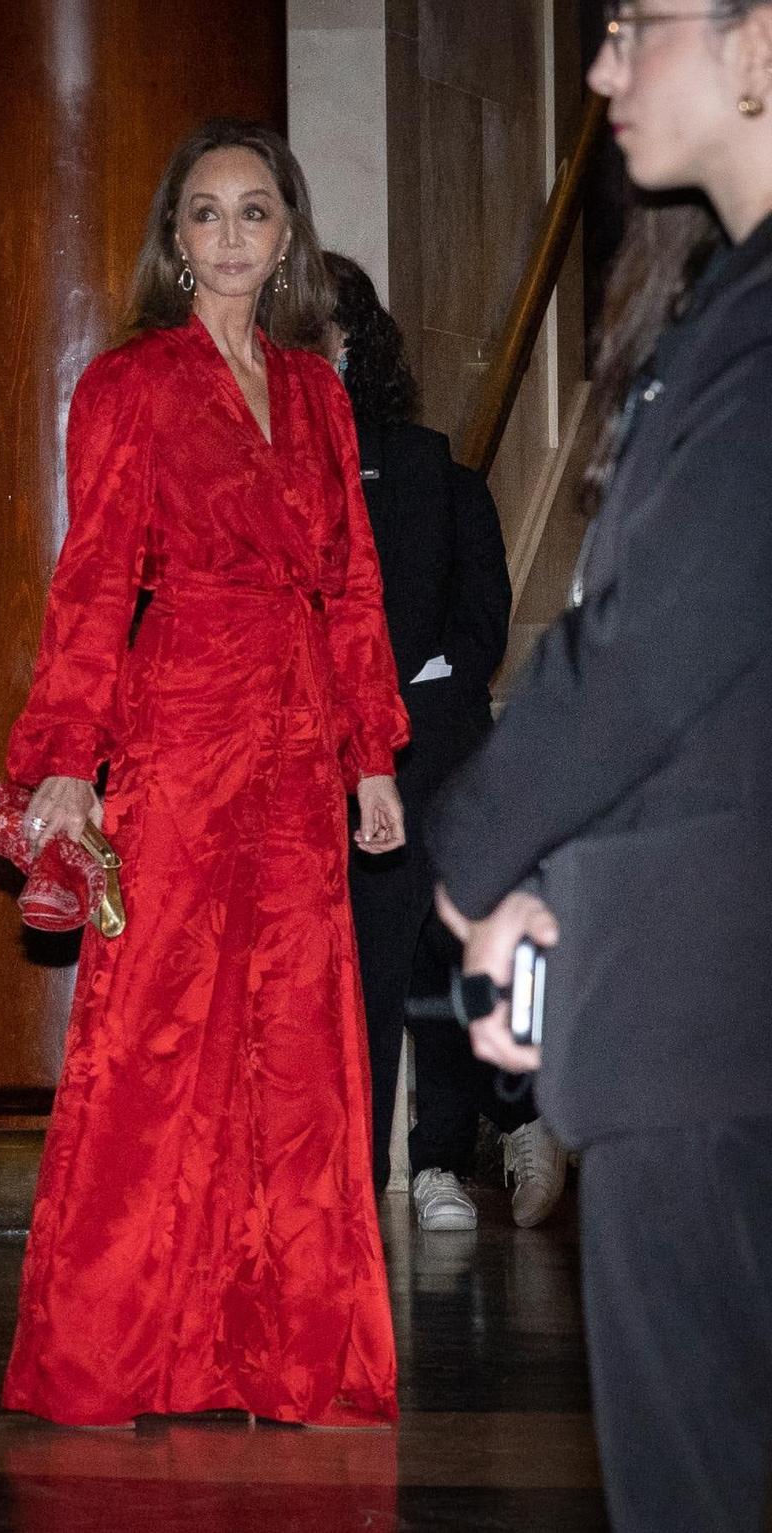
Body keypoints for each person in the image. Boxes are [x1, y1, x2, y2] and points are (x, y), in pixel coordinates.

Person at [0, 119, 409, 1429]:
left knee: (295, 1060)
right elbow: (92, 584)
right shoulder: (126, 387)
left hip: (297, 748)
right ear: (174, 244)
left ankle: (287, 1356)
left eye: (254, 212)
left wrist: (372, 755)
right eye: (205, 214)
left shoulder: (322, 397)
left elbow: (352, 588)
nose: (231, 236)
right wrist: (66, 760)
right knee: (151, 1042)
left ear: (289, 236)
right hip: (179, 729)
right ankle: (113, 1355)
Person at [430, 4, 772, 1527]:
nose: (602, 67)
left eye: (637, 26)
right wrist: (559, 894)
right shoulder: (726, 303)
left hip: (717, 1014)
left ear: (758, 43)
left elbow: (648, 650)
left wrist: (474, 849)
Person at [325, 253, 567, 1230]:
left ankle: (460, 1144)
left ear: (356, 341)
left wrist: (398, 698)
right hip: (298, 739)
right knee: (380, 947)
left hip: (424, 734)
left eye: (321, 329)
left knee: (427, 929)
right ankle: (426, 1152)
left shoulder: (429, 469)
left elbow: (478, 627)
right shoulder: (255, 467)